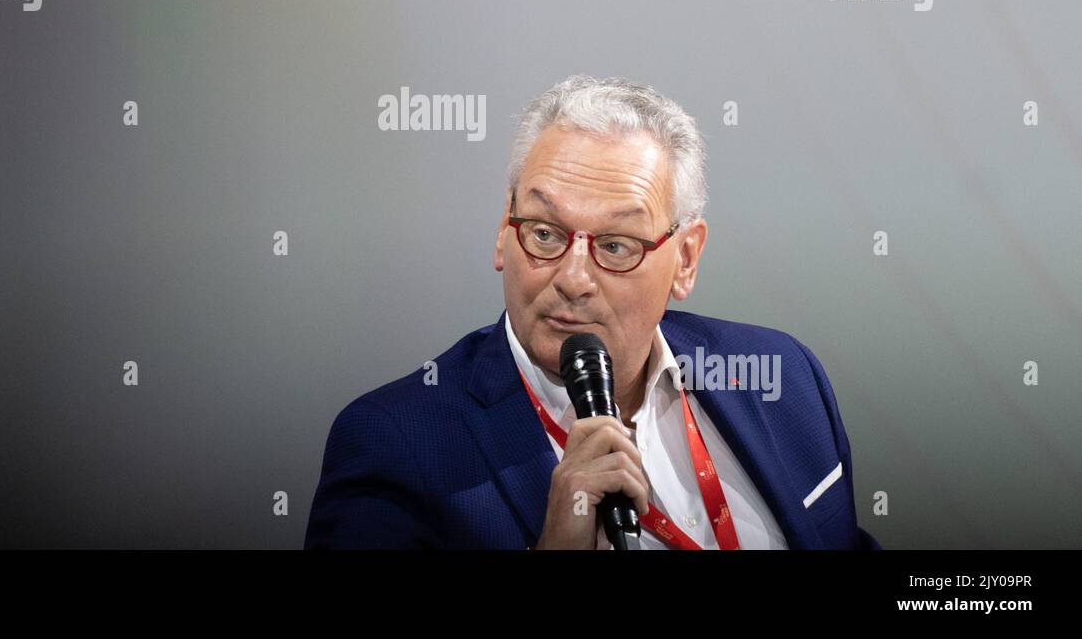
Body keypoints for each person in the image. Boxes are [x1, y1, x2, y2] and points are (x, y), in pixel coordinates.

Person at [304, 74, 879, 549]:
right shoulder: (397, 443)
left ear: (685, 258)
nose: (573, 278)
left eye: (616, 246)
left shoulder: (783, 375)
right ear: (503, 233)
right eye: (546, 233)